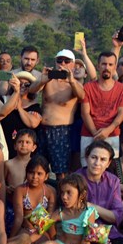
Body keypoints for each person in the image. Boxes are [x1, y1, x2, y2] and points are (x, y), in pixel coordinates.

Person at [29, 49, 85, 178]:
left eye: (66, 61)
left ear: (73, 64)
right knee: (37, 167)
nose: (62, 63)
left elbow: (82, 97)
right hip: (42, 129)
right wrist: (43, 79)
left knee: (61, 171)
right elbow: (32, 91)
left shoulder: (75, 83)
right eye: (60, 60)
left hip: (62, 131)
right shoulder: (48, 80)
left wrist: (71, 80)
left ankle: (61, 196)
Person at [30, 173, 95, 244]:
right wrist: (28, 241)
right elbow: (41, 228)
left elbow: (87, 242)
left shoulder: (88, 213)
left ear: (82, 194)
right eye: (62, 193)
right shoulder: (61, 212)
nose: (64, 197)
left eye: (69, 193)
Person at [78, 141, 123, 244]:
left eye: (103, 159)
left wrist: (93, 206)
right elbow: (72, 212)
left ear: (108, 163)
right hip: (84, 233)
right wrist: (98, 238)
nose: (97, 163)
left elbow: (117, 216)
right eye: (94, 157)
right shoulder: (76, 178)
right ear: (86, 158)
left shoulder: (113, 181)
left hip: (110, 232)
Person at [80, 51, 123, 165]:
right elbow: (85, 113)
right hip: (89, 134)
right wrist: (95, 134)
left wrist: (108, 130)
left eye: (110, 65)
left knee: (110, 171)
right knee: (87, 169)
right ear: (98, 66)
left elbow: (121, 113)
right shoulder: (88, 87)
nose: (107, 67)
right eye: (104, 64)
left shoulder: (122, 89)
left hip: (112, 134)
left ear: (115, 67)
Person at [0, 71, 43, 159]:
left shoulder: (34, 106)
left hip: (24, 148)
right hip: (4, 143)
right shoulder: (4, 100)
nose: (22, 86)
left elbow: (33, 123)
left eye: (27, 84)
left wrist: (19, 108)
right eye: (20, 83)